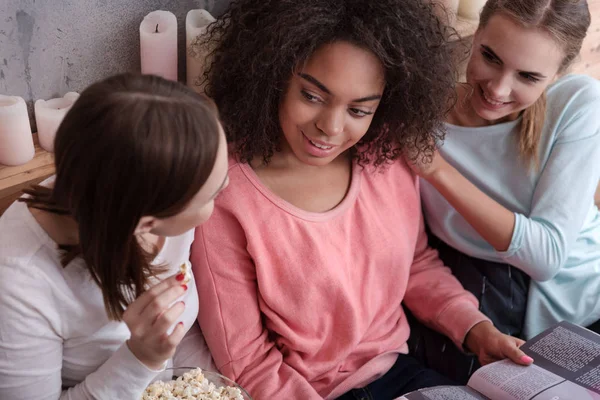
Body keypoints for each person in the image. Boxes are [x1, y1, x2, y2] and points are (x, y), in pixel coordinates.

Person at [190, 1, 533, 399]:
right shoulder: (226, 194)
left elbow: (416, 266)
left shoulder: (384, 156)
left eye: (359, 109)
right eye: (312, 95)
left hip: (403, 373)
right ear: (272, 73)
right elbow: (248, 360)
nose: (331, 128)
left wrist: (476, 330)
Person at [0, 73, 228, 399]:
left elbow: (182, 331)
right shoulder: (18, 284)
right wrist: (140, 358)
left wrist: (209, 385)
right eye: (211, 195)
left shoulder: (148, 190)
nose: (227, 187)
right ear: (145, 224)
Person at [407, 0, 600, 384]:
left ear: (558, 74)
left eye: (528, 77)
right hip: (492, 296)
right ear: (476, 35)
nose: (497, 88)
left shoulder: (579, 101)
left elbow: (547, 256)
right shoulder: (418, 112)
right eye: (490, 57)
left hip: (588, 289)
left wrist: (438, 171)